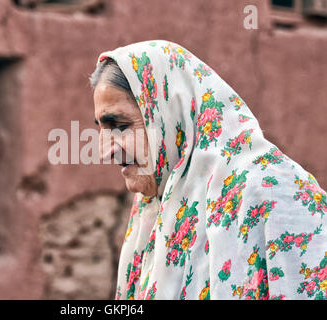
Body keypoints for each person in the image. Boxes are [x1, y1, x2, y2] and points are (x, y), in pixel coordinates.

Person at [89, 40, 326, 300]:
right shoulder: (155, 207)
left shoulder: (271, 190)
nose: (105, 151)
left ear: (170, 112)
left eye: (120, 126)